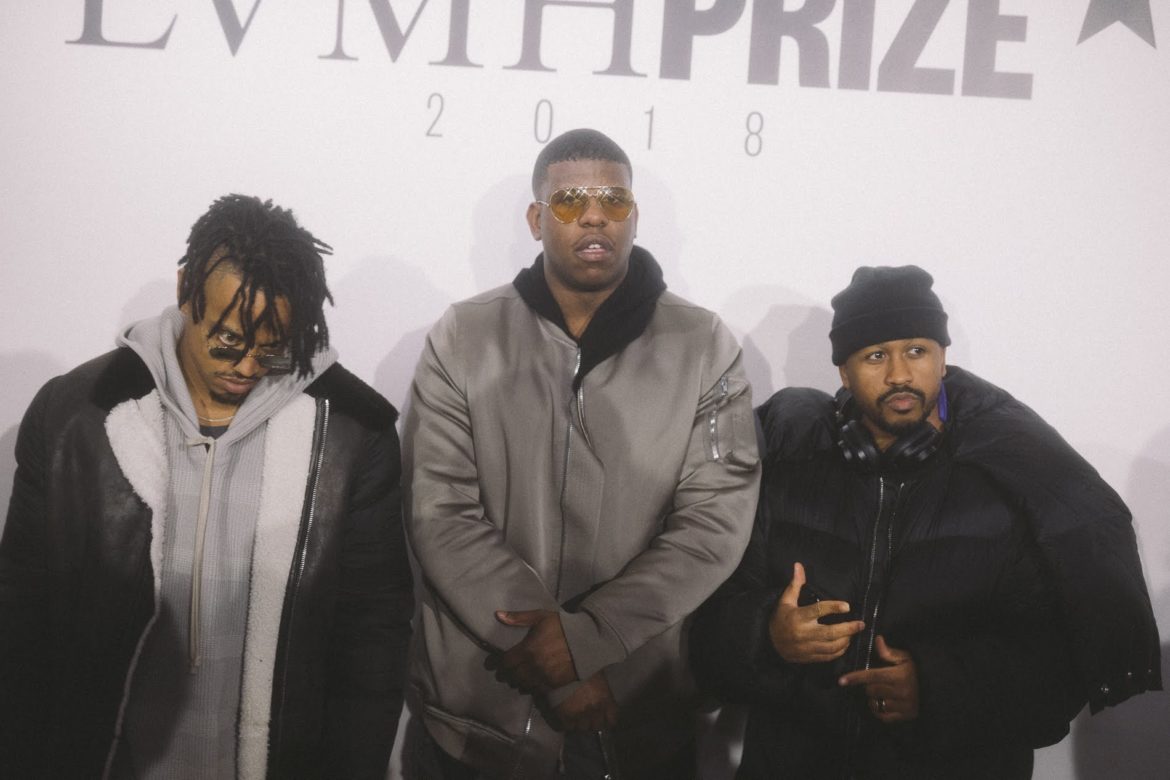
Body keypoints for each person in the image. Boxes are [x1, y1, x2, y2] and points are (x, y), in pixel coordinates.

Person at [690, 265, 1162, 778]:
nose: (898, 374)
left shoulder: (1009, 490)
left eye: (916, 350)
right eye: (875, 355)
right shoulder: (788, 473)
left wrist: (938, 689)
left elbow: (1055, 675)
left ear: (942, 359)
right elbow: (703, 636)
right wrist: (768, 635)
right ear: (844, 373)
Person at [0, 194, 413, 778]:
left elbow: (371, 635)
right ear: (185, 289)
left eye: (272, 347)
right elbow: (22, 613)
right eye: (227, 340)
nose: (247, 366)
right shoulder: (76, 414)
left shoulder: (351, 432)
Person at [402, 128, 760, 778]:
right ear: (536, 219)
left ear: (633, 217)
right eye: (570, 201)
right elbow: (439, 510)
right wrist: (555, 659)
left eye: (612, 200)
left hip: (635, 717)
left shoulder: (703, 345)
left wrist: (590, 640)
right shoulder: (465, 334)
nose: (594, 216)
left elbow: (714, 525)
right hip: (481, 720)